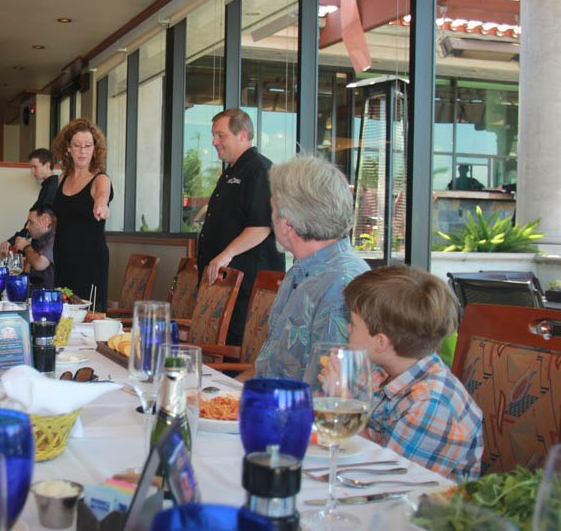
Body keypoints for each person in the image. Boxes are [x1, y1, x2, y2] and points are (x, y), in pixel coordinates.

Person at [344, 265, 484, 482]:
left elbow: (388, 480)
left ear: (380, 342)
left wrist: (343, 401)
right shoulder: (383, 371)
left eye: (353, 325)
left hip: (421, 506)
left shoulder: (430, 404)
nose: (347, 329)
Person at [249, 155, 369, 381]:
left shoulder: (342, 285)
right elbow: (270, 366)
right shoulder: (302, 270)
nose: (270, 218)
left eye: (273, 209)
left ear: (286, 224)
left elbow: (333, 393)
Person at [197, 108, 284, 347]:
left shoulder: (260, 170)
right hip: (225, 283)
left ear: (243, 135)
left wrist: (224, 256)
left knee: (235, 345)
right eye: (213, 135)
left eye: (221, 135)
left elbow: (261, 226)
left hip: (247, 285)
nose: (214, 142)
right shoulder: (231, 172)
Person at [51, 118, 113, 310]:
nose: (82, 151)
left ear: (95, 148)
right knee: (64, 315)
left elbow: (103, 194)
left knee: (88, 318)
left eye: (88, 145)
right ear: (68, 148)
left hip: (90, 261)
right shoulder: (61, 179)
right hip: (63, 258)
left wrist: (101, 204)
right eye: (77, 145)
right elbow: (64, 215)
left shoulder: (100, 178)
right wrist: (48, 217)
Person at [0, 148, 58, 253]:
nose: (32, 171)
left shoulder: (51, 187)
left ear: (47, 165)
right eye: (31, 167)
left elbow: (36, 220)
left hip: (45, 246)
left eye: (35, 167)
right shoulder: (49, 186)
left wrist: (13, 240)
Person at [13, 204, 55, 289]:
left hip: (49, 296)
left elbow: (39, 264)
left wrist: (26, 246)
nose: (27, 227)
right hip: (35, 290)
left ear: (45, 220)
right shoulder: (39, 239)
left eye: (30, 222)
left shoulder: (55, 237)